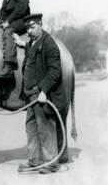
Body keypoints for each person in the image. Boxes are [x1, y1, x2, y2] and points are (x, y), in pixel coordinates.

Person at [13, 13, 67, 174]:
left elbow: (54, 71)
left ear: (40, 25)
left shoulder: (49, 44)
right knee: (31, 128)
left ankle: (51, 164)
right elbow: (32, 49)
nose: (29, 31)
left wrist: (44, 91)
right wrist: (22, 44)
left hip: (41, 95)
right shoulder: (34, 42)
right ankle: (34, 161)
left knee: (45, 128)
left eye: (32, 27)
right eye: (27, 28)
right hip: (30, 95)